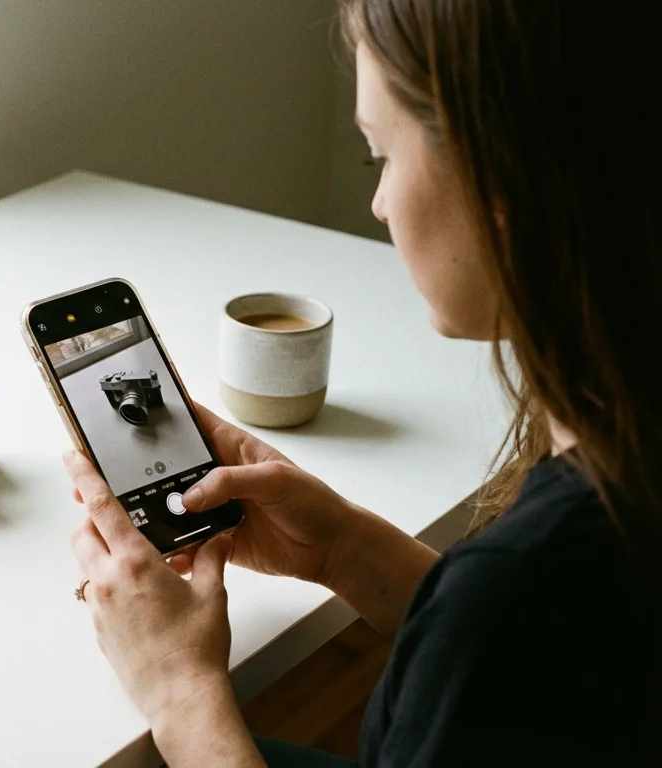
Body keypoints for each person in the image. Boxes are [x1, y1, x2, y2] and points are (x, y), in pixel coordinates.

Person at [63, 0, 662, 765]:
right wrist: (344, 548)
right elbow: (563, 672)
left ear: (500, 181)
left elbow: (512, 632)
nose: (378, 204)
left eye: (381, 155)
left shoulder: (524, 582)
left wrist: (181, 693)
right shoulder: (621, 460)